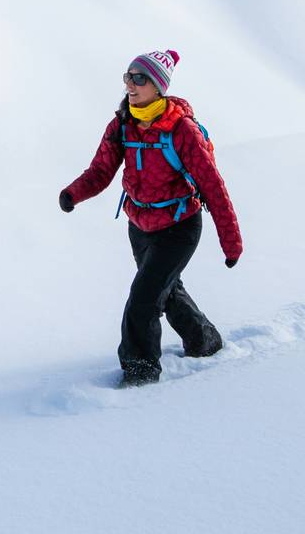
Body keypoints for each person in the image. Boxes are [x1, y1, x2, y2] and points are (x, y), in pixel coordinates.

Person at [59, 50, 242, 387]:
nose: (130, 83)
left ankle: (140, 371)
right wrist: (73, 193)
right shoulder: (122, 123)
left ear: (159, 86)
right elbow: (101, 171)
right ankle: (206, 341)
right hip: (140, 226)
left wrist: (231, 243)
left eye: (139, 78)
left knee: (143, 299)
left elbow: (213, 187)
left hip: (179, 227)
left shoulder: (181, 130)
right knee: (167, 291)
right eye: (128, 76)